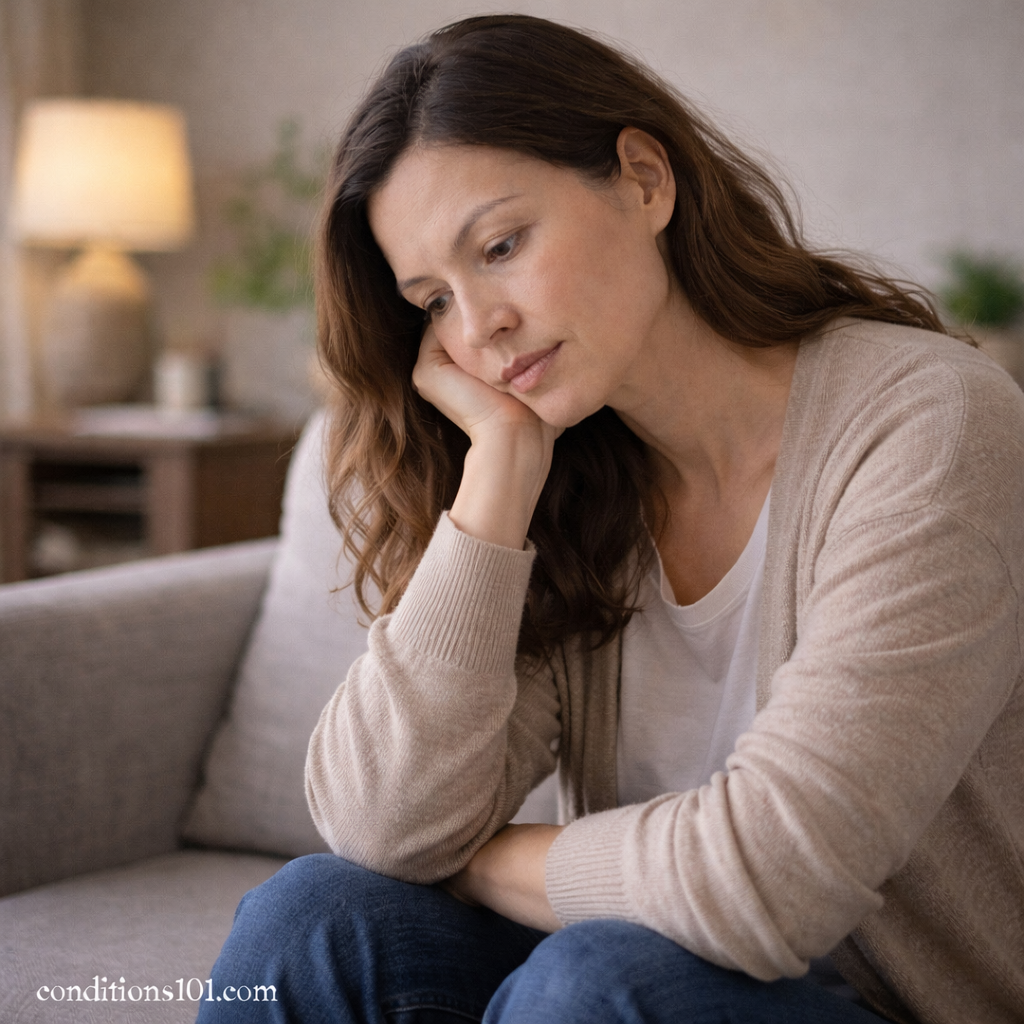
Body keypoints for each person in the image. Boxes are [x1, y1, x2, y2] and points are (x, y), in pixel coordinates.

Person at [198, 14, 1024, 1024]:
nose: (477, 327)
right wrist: (495, 482)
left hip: (888, 1003)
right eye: (431, 302)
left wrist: (477, 857)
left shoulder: (930, 421)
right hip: (633, 968)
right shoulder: (574, 473)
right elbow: (378, 825)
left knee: (593, 984)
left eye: (500, 245)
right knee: (313, 916)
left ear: (643, 179)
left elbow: (765, 882)